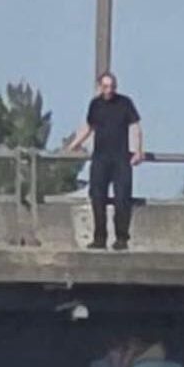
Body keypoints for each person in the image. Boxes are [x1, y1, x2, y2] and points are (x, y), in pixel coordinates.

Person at [67, 72, 145, 250]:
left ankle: (122, 238)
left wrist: (138, 150)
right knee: (97, 197)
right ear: (100, 87)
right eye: (105, 87)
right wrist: (74, 145)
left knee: (122, 199)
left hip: (121, 159)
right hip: (101, 158)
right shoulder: (95, 105)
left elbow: (135, 127)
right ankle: (99, 238)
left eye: (112, 87)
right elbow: (89, 127)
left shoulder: (125, 103)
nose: (109, 90)